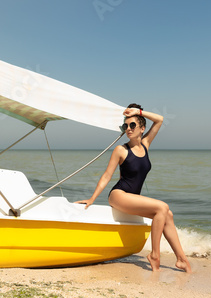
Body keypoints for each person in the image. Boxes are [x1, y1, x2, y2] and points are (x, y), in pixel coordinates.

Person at [76, 103, 192, 273]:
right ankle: (154, 255)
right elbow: (107, 175)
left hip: (132, 197)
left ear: (142, 128)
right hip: (118, 195)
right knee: (163, 207)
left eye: (132, 125)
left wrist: (138, 112)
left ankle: (182, 260)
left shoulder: (146, 144)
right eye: (125, 126)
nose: (128, 129)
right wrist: (92, 198)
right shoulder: (121, 150)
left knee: (168, 214)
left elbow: (159, 120)